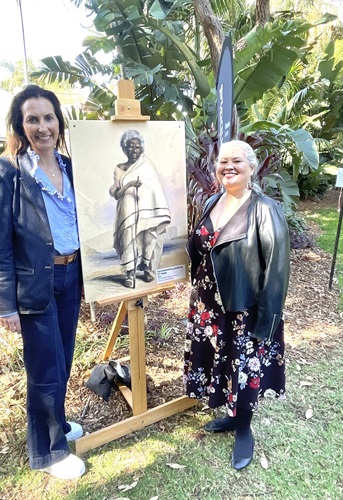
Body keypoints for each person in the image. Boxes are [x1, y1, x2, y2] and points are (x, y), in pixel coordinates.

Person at [0, 85, 85, 480]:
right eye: (33, 119)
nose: (42, 127)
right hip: (35, 283)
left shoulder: (71, 166)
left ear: (58, 121)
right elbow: (0, 243)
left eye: (48, 118)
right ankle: (49, 451)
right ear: (20, 124)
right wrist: (5, 303)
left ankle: (56, 424)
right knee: (45, 368)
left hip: (72, 273)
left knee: (63, 360)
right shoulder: (6, 171)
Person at [184, 139, 290, 470]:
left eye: (237, 161)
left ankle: (243, 428)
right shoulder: (214, 201)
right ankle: (229, 415)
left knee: (243, 367)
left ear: (252, 168)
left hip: (243, 308)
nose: (228, 166)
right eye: (222, 161)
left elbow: (277, 270)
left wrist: (266, 322)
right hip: (209, 306)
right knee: (221, 362)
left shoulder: (264, 210)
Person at [109, 129, 171, 288]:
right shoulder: (120, 168)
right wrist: (129, 184)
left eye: (137, 147)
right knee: (128, 239)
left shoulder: (147, 165)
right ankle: (129, 274)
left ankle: (148, 269)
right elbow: (116, 193)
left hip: (148, 208)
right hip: (127, 208)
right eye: (130, 147)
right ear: (124, 148)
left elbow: (154, 188)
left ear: (142, 148)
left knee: (148, 236)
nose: (134, 150)